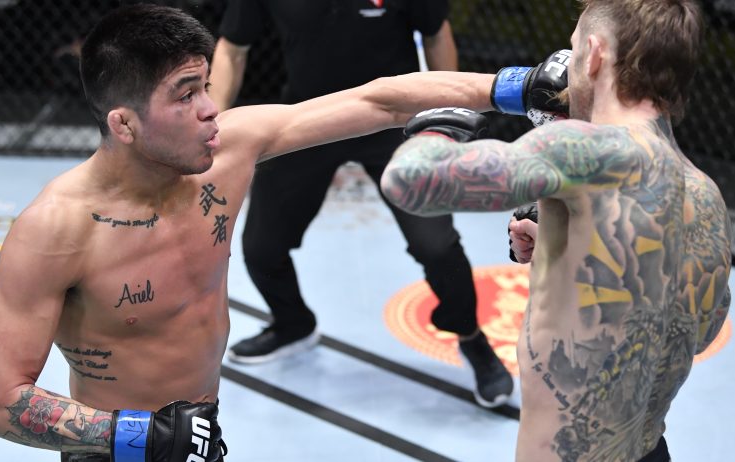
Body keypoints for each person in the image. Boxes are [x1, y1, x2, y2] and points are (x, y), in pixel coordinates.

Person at [0, 4, 520, 461]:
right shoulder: (56, 229)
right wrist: (145, 437)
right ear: (124, 124)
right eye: (185, 96)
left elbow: (376, 99)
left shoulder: (229, 151)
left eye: (206, 87)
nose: (211, 110)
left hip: (203, 431)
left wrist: (516, 86)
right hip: (114, 449)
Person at [380, 0, 732, 460]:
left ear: (595, 54)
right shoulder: (704, 195)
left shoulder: (581, 148)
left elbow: (409, 181)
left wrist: (440, 125)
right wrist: (573, 252)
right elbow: (696, 330)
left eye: (573, 49)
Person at [209, 0, 513, 407]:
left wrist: (448, 118)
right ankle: (292, 322)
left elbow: (436, 34)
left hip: (396, 120)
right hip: (307, 118)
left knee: (436, 245)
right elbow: (232, 47)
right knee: (262, 247)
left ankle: (471, 338)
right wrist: (210, 128)